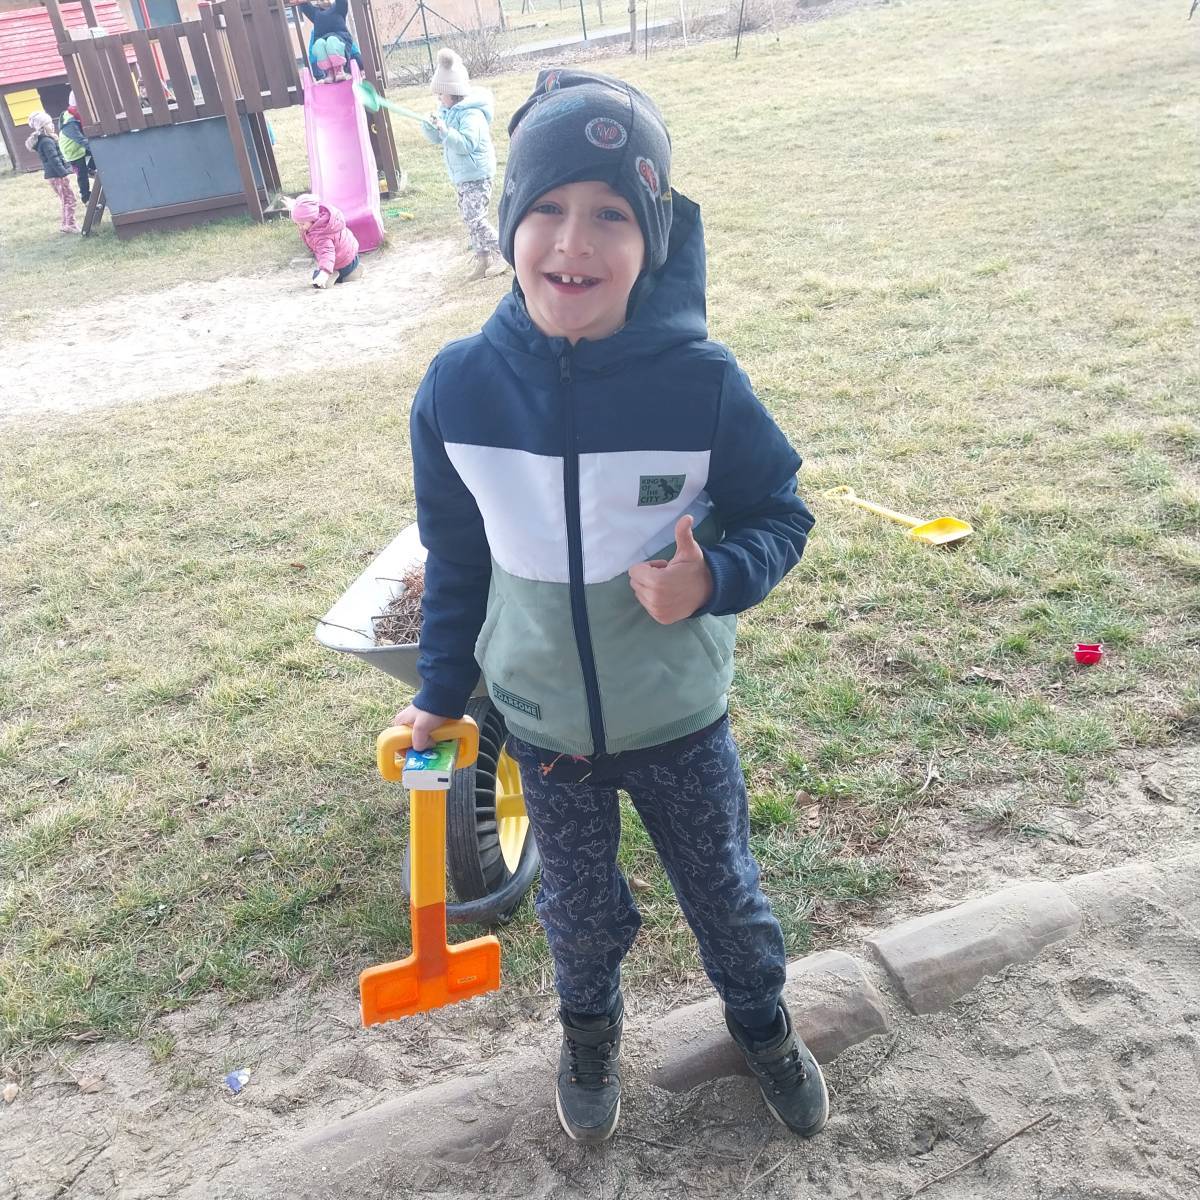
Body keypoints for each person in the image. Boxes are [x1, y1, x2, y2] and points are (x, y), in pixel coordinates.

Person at [392, 68, 828, 1145]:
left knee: (726, 896)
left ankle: (763, 1024)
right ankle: (588, 1034)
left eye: (610, 215)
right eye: (546, 207)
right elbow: (455, 557)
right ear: (509, 221)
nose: (572, 242)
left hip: (678, 717)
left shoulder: (702, 383)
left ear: (654, 237)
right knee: (578, 916)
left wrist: (711, 579)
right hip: (544, 728)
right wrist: (440, 695)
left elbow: (780, 512)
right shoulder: (457, 390)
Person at [420, 48, 505, 281]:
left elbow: (466, 144)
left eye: (441, 94)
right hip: (462, 176)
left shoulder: (471, 115)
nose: (439, 99)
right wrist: (431, 126)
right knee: (469, 218)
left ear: (453, 92)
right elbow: (438, 138)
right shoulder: (447, 112)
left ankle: (502, 252)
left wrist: (445, 130)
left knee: (475, 218)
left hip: (477, 174)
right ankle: (483, 258)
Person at [289, 193, 363, 287]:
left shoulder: (321, 235)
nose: (300, 227)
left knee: (316, 280)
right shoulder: (327, 220)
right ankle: (351, 273)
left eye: (302, 224)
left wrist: (325, 272)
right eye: (297, 224)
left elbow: (327, 253)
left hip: (340, 266)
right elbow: (304, 210)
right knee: (336, 265)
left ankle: (334, 275)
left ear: (313, 219)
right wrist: (293, 206)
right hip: (353, 258)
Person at [25, 111, 78, 234]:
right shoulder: (47, 141)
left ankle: (65, 224)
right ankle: (70, 225)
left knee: (65, 200)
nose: (52, 125)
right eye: (49, 124)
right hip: (57, 175)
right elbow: (54, 159)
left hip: (54, 175)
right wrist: (63, 173)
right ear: (42, 127)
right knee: (70, 200)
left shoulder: (44, 140)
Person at [288, 0, 364, 82]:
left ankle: (338, 69)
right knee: (319, 44)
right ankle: (329, 71)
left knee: (332, 41)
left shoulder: (338, 8)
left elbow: (342, 2)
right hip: (323, 41)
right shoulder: (316, 13)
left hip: (338, 40)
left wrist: (361, 66)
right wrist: (319, 75)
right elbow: (305, 6)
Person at [58, 100, 94, 203]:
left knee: (92, 158)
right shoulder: (70, 122)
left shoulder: (73, 115)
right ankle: (86, 197)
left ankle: (91, 168)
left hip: (78, 148)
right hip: (72, 152)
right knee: (82, 175)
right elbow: (80, 139)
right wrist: (95, 149)